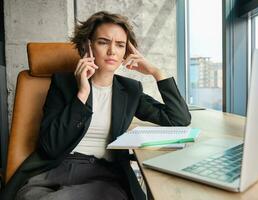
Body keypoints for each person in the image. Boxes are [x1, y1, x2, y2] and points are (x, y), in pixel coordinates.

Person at [1, 11, 191, 200]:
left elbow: (179, 119)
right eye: (103, 42)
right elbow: (50, 147)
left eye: (120, 45)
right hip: (52, 171)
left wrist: (156, 72)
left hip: (102, 176)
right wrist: (82, 94)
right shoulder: (63, 83)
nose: (112, 51)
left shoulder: (130, 90)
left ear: (127, 52)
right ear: (87, 45)